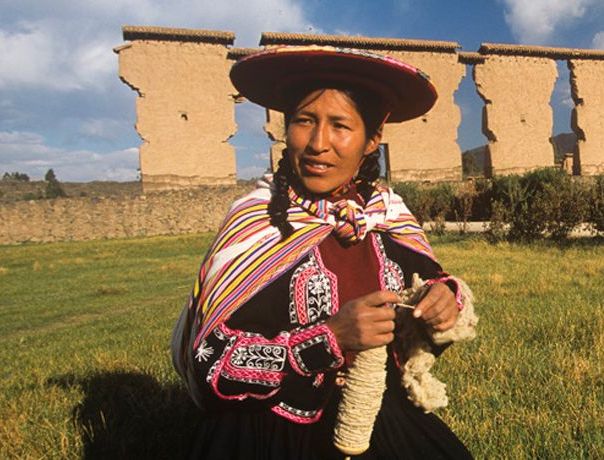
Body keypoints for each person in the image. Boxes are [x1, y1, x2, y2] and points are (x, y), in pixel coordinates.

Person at [170, 45, 475, 459]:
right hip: (266, 430)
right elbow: (211, 361)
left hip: (374, 416)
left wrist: (443, 302)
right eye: (304, 121)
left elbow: (433, 283)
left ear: (372, 141)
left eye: (340, 126)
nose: (317, 143)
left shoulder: (386, 215)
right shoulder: (256, 219)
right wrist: (329, 339)